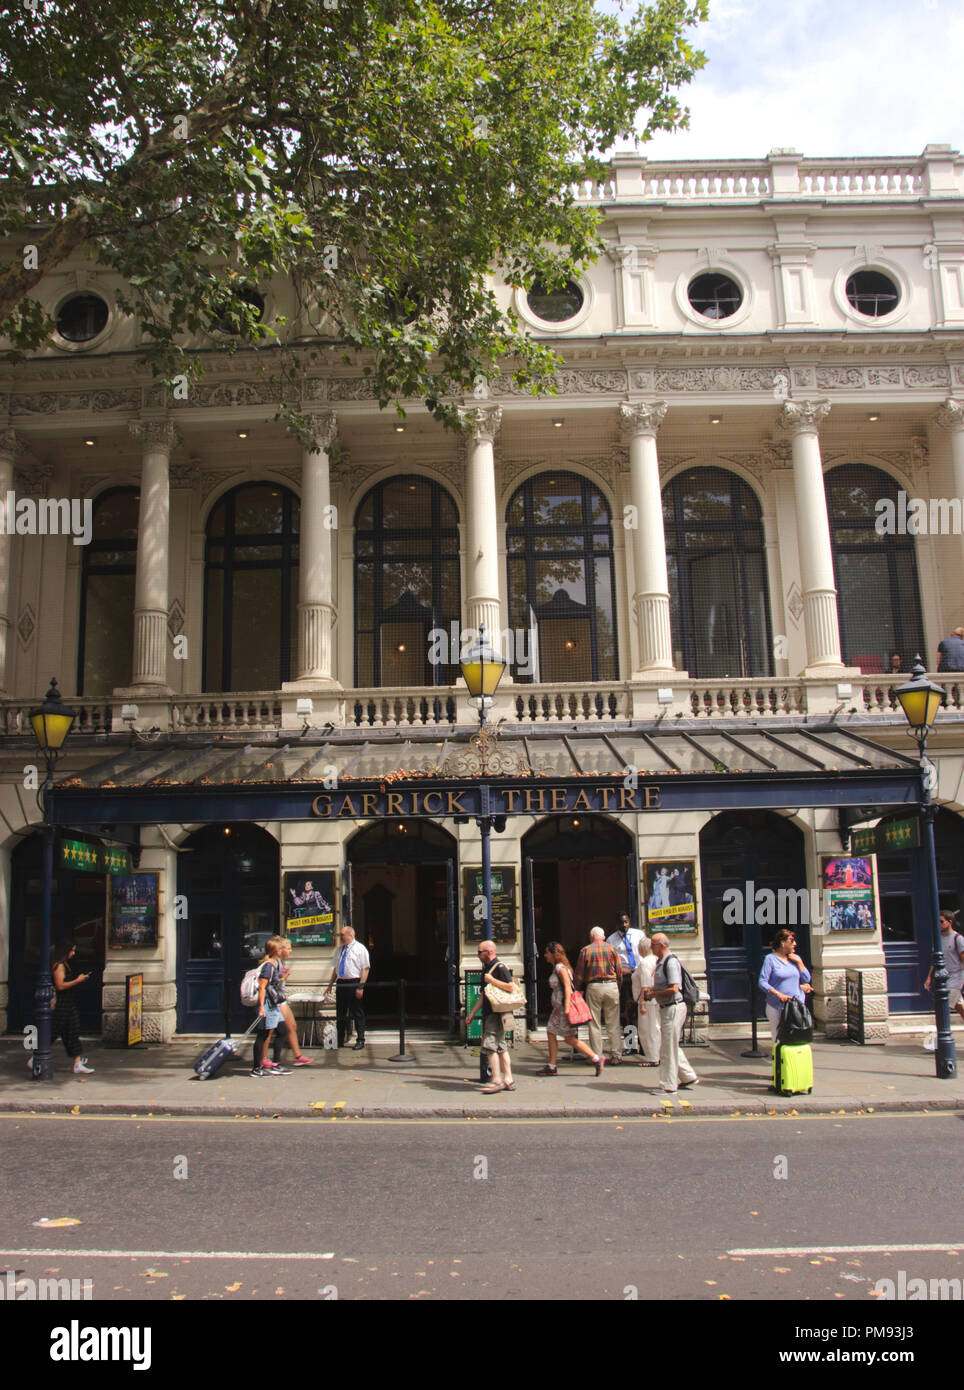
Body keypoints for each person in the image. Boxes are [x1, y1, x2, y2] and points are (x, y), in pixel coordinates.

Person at [537, 942, 603, 1077]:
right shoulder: (558, 967)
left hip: (562, 1007)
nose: (545, 956)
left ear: (553, 954)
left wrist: (566, 1007)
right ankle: (552, 1065)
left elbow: (567, 987)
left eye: (547, 953)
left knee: (569, 1038)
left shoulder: (560, 969)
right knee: (551, 1032)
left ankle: (596, 1058)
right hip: (557, 1008)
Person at [644, 933, 698, 1094]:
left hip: (673, 1007)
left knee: (667, 1050)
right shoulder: (660, 961)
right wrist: (653, 990)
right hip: (666, 1008)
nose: (650, 947)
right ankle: (688, 1076)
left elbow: (675, 988)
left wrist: (654, 994)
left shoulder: (670, 961)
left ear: (661, 945)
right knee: (671, 1044)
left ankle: (668, 1086)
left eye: (653, 944)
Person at [464, 939, 516, 1093]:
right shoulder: (486, 968)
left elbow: (511, 987)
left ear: (490, 952)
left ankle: (496, 1080)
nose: (478, 955)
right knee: (501, 1047)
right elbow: (483, 995)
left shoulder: (499, 968)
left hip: (496, 1014)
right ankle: (509, 1079)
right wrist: (472, 1013)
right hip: (492, 1013)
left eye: (480, 952)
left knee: (490, 1046)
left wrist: (492, 980)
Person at [573, 926, 623, 1064]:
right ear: (604, 936)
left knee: (594, 1023)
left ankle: (597, 1055)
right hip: (611, 985)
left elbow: (579, 974)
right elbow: (619, 971)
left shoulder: (585, 950)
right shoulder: (612, 949)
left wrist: (575, 990)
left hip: (594, 986)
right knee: (613, 1022)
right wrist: (618, 987)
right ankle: (616, 1055)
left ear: (591, 936)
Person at [263, 936, 313, 1068]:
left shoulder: (281, 963)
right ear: (280, 950)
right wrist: (284, 977)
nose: (290, 951)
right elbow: (270, 983)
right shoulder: (273, 963)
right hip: (275, 1000)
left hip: (280, 998)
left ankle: (297, 1056)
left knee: (291, 1026)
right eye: (288, 949)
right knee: (271, 1030)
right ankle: (264, 1059)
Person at [758, 929, 813, 1046]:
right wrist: (778, 994)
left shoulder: (795, 959)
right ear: (783, 943)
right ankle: (778, 1060)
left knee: (798, 1034)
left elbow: (806, 979)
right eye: (791, 941)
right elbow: (762, 982)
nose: (795, 944)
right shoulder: (770, 959)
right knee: (778, 1036)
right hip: (777, 1005)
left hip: (796, 1005)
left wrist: (799, 962)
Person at [49, 940, 94, 1075]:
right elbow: (60, 986)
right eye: (72, 950)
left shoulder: (65, 965)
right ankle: (35, 1058)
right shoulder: (59, 966)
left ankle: (77, 1063)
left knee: (72, 1032)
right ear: (64, 951)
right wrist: (78, 980)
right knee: (53, 1032)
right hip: (62, 1004)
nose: (73, 953)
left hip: (69, 1003)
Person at [324, 925, 370, 1049]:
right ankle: (339, 1039)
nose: (340, 937)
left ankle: (360, 1040)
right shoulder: (339, 949)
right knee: (341, 1012)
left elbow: (365, 969)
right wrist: (330, 984)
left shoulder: (360, 949)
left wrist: (360, 986)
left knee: (357, 1011)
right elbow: (336, 968)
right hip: (341, 983)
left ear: (350, 935)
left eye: (342, 935)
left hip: (354, 982)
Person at [251, 937, 291, 1077]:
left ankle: (276, 1063)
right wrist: (261, 1007)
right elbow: (262, 987)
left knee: (282, 1030)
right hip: (267, 1005)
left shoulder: (273, 964)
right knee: (263, 1035)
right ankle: (257, 1068)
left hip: (273, 1005)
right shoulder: (268, 966)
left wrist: (283, 978)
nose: (282, 951)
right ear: (275, 951)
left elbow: (273, 984)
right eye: (280, 949)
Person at [606, 912, 646, 1031]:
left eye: (626, 922)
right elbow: (610, 962)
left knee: (642, 1008)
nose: (624, 925)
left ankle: (643, 1044)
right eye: (621, 923)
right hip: (625, 977)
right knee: (628, 1010)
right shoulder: (611, 940)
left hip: (640, 974)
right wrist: (621, 970)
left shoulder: (639, 934)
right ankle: (630, 1045)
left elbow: (646, 951)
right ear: (617, 924)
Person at [924, 909, 964, 1025]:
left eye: (941, 921)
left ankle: (943, 1033)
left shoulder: (958, 939)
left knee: (943, 1004)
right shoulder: (939, 939)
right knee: (958, 1004)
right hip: (944, 976)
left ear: (949, 922)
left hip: (957, 976)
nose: (939, 924)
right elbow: (935, 959)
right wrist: (929, 977)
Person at [630, 935, 660, 1067]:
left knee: (648, 1029)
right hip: (657, 1000)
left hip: (648, 1001)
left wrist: (642, 1003)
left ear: (642, 949)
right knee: (656, 1028)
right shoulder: (657, 960)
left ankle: (653, 1057)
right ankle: (657, 1056)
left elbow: (645, 985)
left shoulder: (645, 963)